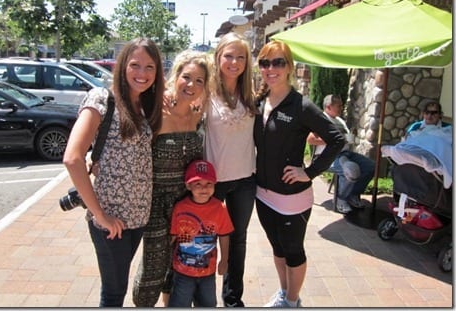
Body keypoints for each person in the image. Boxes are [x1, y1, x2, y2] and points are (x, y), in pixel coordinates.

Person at [63, 37, 164, 307]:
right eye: (135, 65)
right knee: (113, 292)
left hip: (138, 215)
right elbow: (72, 158)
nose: (142, 74)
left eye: (150, 67)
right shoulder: (102, 98)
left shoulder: (146, 105)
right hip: (112, 218)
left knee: (117, 285)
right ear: (122, 67)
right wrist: (101, 215)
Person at [253, 41, 344, 308]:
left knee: (293, 251)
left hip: (292, 197)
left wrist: (310, 172)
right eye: (265, 63)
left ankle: (292, 302)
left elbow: (337, 139)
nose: (271, 69)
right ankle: (284, 292)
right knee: (277, 248)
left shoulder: (301, 105)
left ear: (290, 67)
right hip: (263, 193)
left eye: (278, 62)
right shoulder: (259, 102)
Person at [132, 50, 211, 307]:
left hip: (185, 204)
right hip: (154, 201)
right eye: (186, 77)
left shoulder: (197, 113)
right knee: (154, 266)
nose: (192, 85)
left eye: (199, 80)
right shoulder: (155, 111)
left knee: (177, 263)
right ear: (175, 76)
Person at [204, 32, 257, 307]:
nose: (234, 62)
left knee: (238, 241)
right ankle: (201, 297)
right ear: (218, 57)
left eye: (240, 57)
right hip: (212, 184)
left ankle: (233, 299)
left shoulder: (251, 94)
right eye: (229, 56)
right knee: (205, 239)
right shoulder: (206, 92)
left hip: (245, 180)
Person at [168, 159, 234, 307]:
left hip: (208, 274)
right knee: (179, 304)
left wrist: (224, 261)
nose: (204, 189)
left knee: (208, 304)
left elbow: (224, 236)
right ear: (188, 185)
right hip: (182, 273)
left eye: (208, 183)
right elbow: (172, 236)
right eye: (198, 184)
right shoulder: (180, 207)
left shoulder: (220, 208)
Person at [307, 94, 376, 214]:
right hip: (327, 157)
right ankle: (341, 199)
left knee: (370, 166)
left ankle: (353, 195)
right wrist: (336, 139)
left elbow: (345, 138)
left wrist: (350, 138)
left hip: (345, 153)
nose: (342, 107)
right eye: (339, 105)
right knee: (351, 169)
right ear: (328, 106)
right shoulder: (321, 119)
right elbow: (310, 139)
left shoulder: (339, 120)